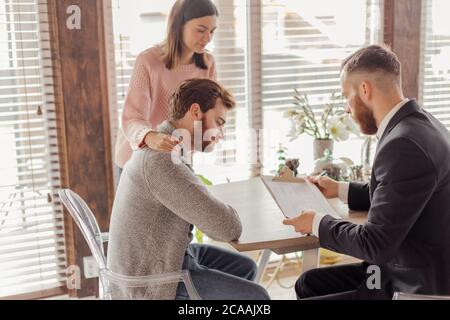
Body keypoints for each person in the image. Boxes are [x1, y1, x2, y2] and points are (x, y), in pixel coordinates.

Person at [283, 45, 450, 300]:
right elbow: (397, 194)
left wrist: (317, 223)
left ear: (364, 89)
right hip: (399, 269)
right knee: (309, 283)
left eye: (346, 97)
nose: (347, 109)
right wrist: (340, 189)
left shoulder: (403, 145)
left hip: (415, 285)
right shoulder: (420, 123)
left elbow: (374, 244)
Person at [107, 79, 270, 300]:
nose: (221, 133)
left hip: (167, 254)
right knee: (257, 298)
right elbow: (228, 228)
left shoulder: (168, 146)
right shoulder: (162, 160)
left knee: (245, 267)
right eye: (219, 122)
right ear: (195, 111)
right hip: (150, 280)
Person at [115, 0, 219, 171]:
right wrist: (150, 136)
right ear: (179, 25)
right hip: (137, 160)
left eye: (212, 31)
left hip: (176, 160)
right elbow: (132, 117)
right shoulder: (148, 61)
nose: (207, 38)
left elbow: (207, 115)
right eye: (201, 30)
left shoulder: (208, 64)